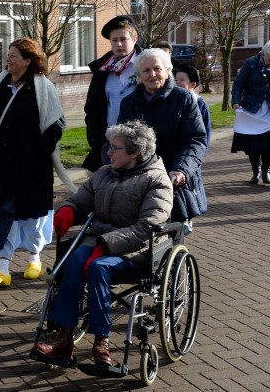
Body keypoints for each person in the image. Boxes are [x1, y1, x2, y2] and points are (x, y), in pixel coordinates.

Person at [32, 120, 173, 367]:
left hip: (136, 251)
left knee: (99, 267)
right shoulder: (104, 173)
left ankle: (101, 340)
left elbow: (147, 227)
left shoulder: (157, 181)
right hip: (98, 242)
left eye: (115, 148)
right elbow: (80, 201)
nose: (108, 152)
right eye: (110, 146)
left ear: (136, 152)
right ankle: (64, 337)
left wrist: (106, 245)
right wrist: (68, 210)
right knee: (73, 261)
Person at [0, 38, 64, 286]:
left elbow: (55, 126)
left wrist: (38, 152)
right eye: (8, 55)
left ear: (28, 60)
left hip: (33, 168)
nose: (8, 59)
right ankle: (2, 268)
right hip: (4, 167)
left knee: (33, 217)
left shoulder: (43, 88)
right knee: (6, 215)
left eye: (13, 55)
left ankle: (34, 258)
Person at [118, 48, 207, 225]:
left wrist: (181, 169)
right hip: (140, 181)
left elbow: (196, 139)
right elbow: (121, 140)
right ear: (139, 75)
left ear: (167, 70)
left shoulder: (183, 99)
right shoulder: (129, 103)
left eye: (157, 68)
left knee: (170, 238)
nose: (152, 74)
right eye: (146, 70)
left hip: (173, 179)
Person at [83, 15, 143, 170]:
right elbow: (92, 107)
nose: (119, 44)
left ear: (134, 39)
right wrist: (96, 139)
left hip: (141, 142)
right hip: (110, 143)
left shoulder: (146, 65)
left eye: (124, 39)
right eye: (114, 40)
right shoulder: (103, 70)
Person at [231, 41, 270, 185]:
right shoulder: (250, 64)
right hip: (252, 109)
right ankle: (255, 171)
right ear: (263, 55)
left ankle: (266, 170)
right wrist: (236, 100)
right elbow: (239, 83)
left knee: (269, 143)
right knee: (254, 144)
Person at [172, 63, 211, 149]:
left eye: (182, 80)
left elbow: (206, 131)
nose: (177, 82)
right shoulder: (171, 101)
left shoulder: (200, 104)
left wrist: (202, 150)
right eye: (175, 80)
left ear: (192, 84)